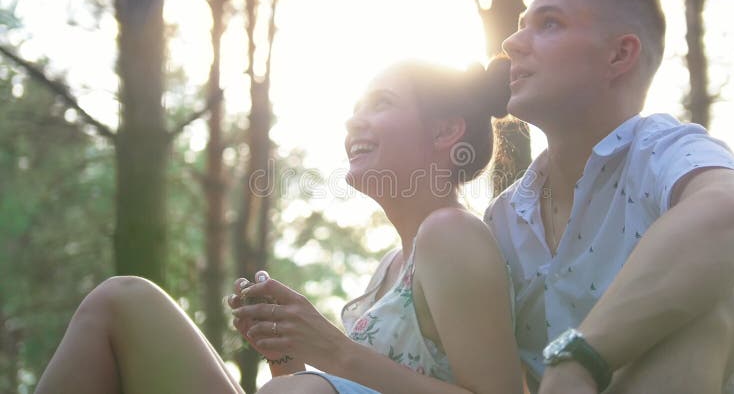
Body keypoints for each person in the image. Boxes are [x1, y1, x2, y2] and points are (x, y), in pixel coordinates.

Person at [34, 56, 523, 394]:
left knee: (124, 300)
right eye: (355, 109)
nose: (353, 123)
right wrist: (288, 355)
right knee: (120, 303)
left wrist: (331, 351)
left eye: (381, 103)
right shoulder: (393, 267)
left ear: (444, 131)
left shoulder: (450, 234)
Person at [486, 0, 734, 394]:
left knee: (707, 298)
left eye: (548, 24)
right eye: (521, 25)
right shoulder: (503, 218)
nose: (511, 43)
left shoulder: (666, 152)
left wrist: (580, 359)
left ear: (620, 55)